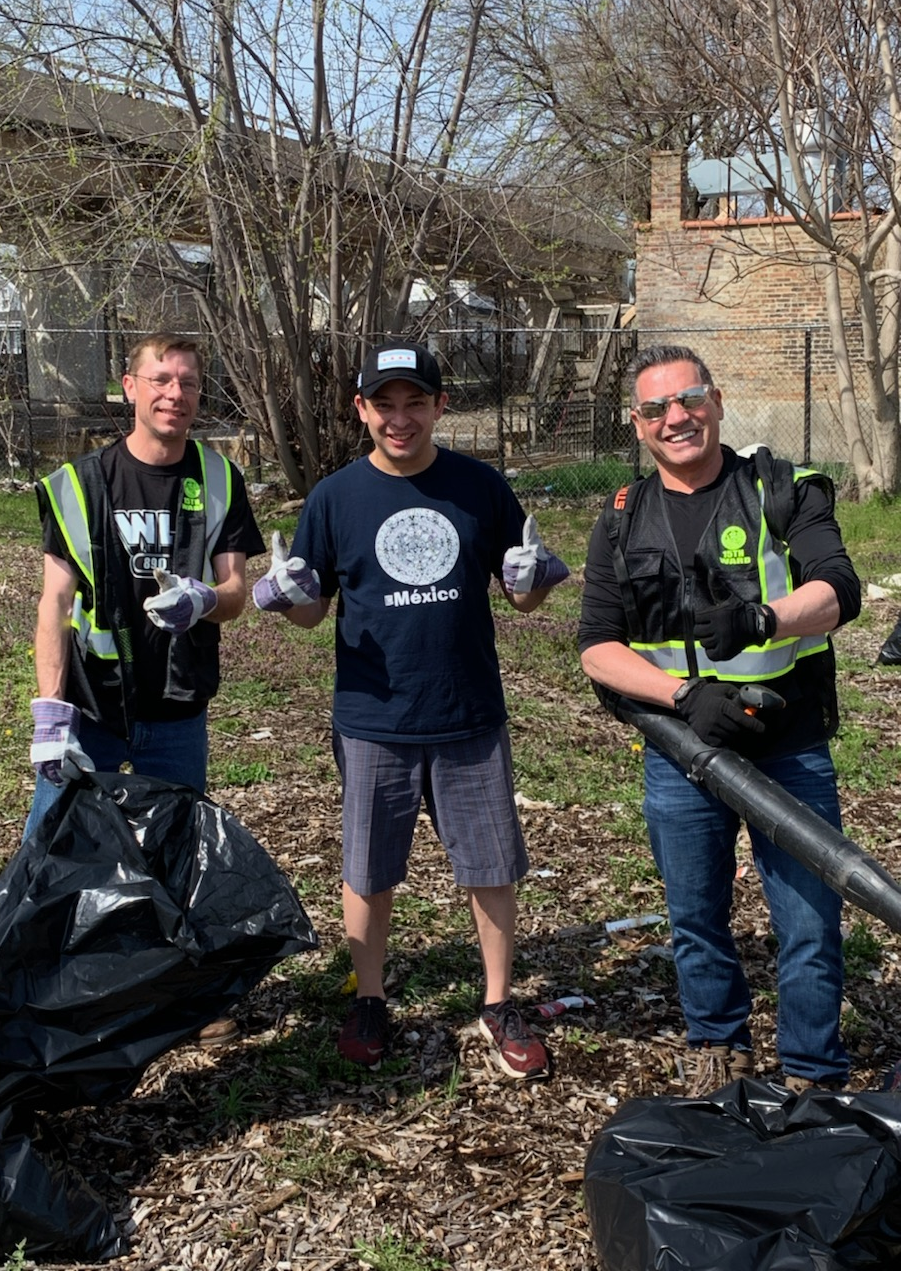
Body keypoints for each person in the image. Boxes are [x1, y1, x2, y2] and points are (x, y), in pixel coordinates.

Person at [252, 340, 569, 1079]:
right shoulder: (335, 498)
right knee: (369, 870)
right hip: (373, 717)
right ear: (361, 410)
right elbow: (311, 606)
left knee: (490, 866)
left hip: (467, 711)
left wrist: (540, 578)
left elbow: (519, 591)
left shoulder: (479, 487)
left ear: (439, 406)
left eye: (415, 402)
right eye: (384, 404)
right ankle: (369, 998)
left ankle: (496, 1003)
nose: (401, 419)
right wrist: (283, 600)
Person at [578, 343, 861, 1094]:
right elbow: (597, 648)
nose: (677, 418)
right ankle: (718, 1048)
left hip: (788, 748)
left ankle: (811, 1071)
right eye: (656, 409)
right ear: (637, 426)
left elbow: (838, 591)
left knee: (808, 922)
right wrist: (679, 696)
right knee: (696, 918)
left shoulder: (783, 488)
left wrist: (762, 618)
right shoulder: (619, 520)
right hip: (682, 751)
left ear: (718, 400)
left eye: (689, 399)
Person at [25, 332, 265, 1045]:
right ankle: (41, 987)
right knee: (56, 843)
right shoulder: (79, 485)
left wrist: (205, 599)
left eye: (188, 383)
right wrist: (49, 712)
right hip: (92, 707)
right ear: (128, 387)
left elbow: (236, 591)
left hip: (175, 704)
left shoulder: (219, 479)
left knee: (178, 847)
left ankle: (187, 994)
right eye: (160, 379)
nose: (175, 394)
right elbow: (53, 605)